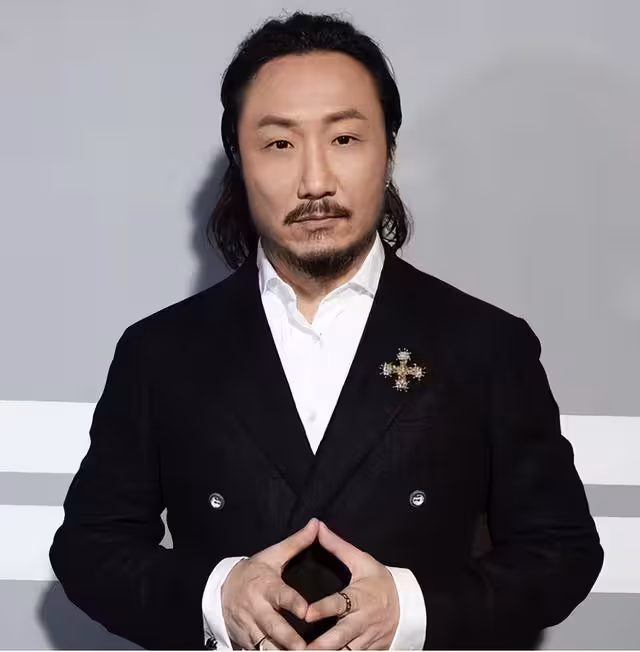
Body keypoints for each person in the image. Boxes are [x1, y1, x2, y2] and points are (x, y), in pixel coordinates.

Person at [50, 11, 604, 651]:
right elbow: (91, 548)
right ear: (239, 161)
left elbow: (559, 551)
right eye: (279, 144)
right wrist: (216, 595)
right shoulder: (161, 352)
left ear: (388, 151)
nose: (316, 182)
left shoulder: (485, 345)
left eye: (344, 138)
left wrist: (413, 611)